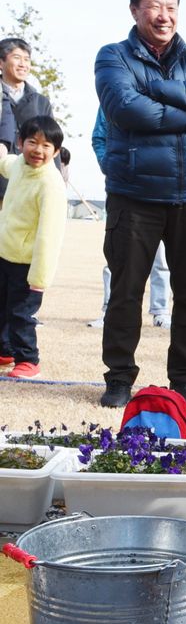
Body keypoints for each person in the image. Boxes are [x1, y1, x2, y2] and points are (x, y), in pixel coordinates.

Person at [94, 0, 186, 408]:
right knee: (126, 291)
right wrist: (185, 113)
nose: (163, 15)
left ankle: (185, 378)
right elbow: (125, 108)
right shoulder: (112, 56)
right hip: (134, 193)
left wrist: (155, 88)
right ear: (134, 10)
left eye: (170, 7)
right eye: (154, 6)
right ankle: (118, 378)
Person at [88, 107, 171, 329]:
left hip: (160, 186)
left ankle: (161, 310)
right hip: (123, 187)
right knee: (116, 255)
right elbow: (99, 136)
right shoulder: (114, 91)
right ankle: (109, 309)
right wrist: (110, 165)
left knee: (160, 256)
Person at [0, 115, 67, 378]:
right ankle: (5, 351)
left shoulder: (50, 184)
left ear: (56, 152)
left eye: (46, 145)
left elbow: (50, 236)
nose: (38, 150)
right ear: (20, 142)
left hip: (28, 264)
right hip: (4, 253)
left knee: (21, 314)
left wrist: (39, 278)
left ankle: (28, 360)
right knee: (2, 308)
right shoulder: (18, 164)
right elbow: (5, 163)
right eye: (32, 142)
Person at [0, 37, 55, 201]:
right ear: (1, 63)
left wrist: (55, 180)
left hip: (29, 188)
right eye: (16, 58)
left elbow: (51, 142)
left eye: (27, 59)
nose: (23, 64)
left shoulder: (41, 102)